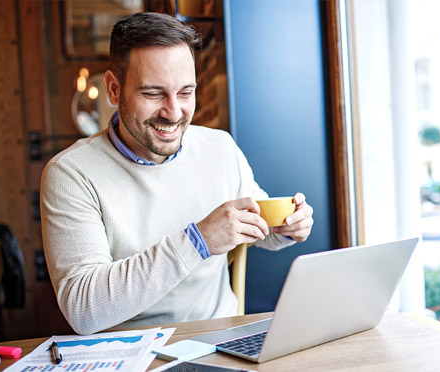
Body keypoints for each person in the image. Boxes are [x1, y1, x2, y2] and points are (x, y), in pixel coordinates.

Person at [40, 12, 314, 335]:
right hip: (133, 357)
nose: (173, 112)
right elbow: (84, 309)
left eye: (186, 92)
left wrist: (286, 226)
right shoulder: (70, 175)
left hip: (220, 345)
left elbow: (257, 224)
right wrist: (198, 241)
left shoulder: (220, 148)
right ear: (114, 90)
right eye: (153, 93)